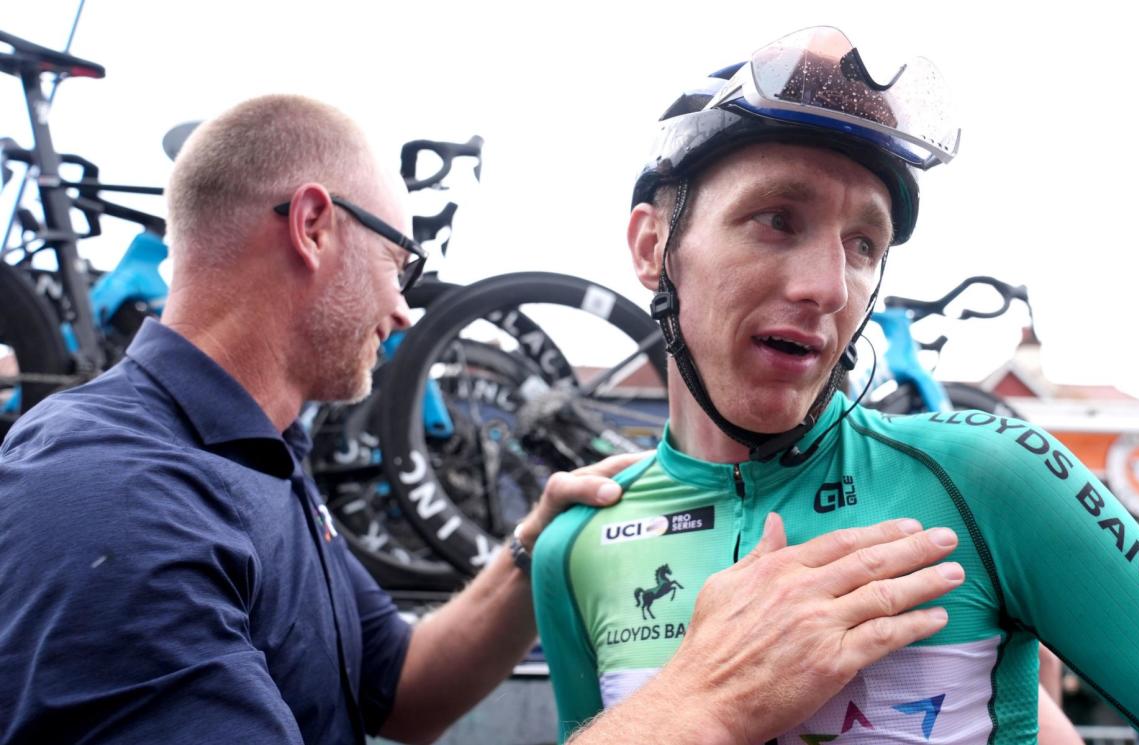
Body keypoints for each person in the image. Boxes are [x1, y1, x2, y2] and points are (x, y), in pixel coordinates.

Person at [0, 93, 965, 745]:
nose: (410, 309)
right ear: (312, 226)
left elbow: (404, 689)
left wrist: (527, 551)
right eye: (402, 263)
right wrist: (703, 699)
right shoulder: (112, 496)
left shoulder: (257, 461)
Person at [533, 26, 1139, 744]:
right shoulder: (575, 545)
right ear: (654, 248)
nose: (829, 287)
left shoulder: (989, 476)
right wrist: (700, 700)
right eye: (777, 219)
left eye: (863, 244)